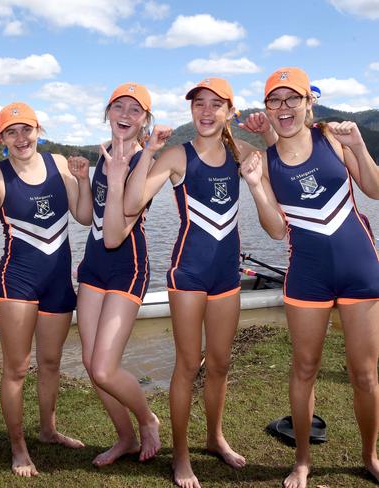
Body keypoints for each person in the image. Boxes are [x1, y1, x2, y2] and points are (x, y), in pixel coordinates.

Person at [119, 78, 276, 487]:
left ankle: (214, 437)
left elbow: (280, 161)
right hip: (188, 274)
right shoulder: (177, 156)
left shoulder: (240, 152)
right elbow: (133, 204)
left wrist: (267, 132)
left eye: (215, 105)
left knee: (220, 363)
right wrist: (148, 155)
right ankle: (182, 457)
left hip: (226, 276)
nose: (205, 112)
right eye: (198, 104)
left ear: (229, 111)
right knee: (188, 365)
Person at [240, 67, 379, 488]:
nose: (284, 109)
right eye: (274, 101)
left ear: (308, 102)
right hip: (308, 277)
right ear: (266, 108)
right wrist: (256, 187)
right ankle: (302, 460)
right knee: (304, 368)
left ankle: (370, 454)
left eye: (291, 99)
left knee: (367, 374)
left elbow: (373, 189)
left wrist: (360, 145)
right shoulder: (264, 161)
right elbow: (277, 229)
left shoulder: (332, 139)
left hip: (361, 271)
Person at [0, 102, 91, 476]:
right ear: (1, 138)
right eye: (11, 132)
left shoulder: (57, 166)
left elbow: (83, 216)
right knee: (17, 369)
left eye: (27, 129)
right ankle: (18, 446)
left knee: (51, 363)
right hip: (16, 282)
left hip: (57, 283)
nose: (21, 138)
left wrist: (83, 180)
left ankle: (49, 430)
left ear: (39, 129)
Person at [74, 82, 165, 467]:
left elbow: (114, 235)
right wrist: (82, 180)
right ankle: (125, 438)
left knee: (104, 367)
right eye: (119, 107)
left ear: (145, 119)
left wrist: (117, 175)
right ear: (108, 112)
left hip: (127, 267)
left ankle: (147, 419)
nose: (125, 115)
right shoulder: (106, 154)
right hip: (93, 267)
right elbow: (87, 218)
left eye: (135, 110)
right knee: (90, 362)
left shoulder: (146, 161)